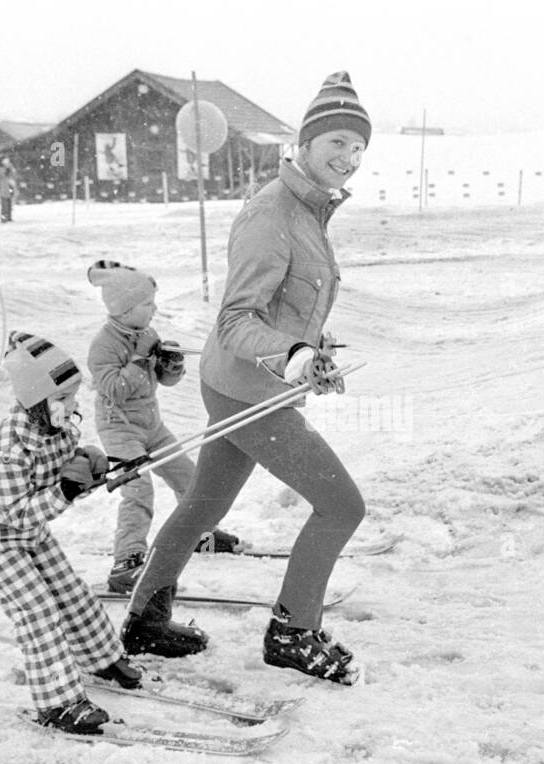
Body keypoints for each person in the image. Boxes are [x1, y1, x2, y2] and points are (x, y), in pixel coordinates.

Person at [122, 71, 370, 684]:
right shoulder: (272, 213)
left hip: (244, 381)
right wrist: (291, 355)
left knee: (206, 501)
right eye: (336, 142)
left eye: (357, 146)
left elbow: (286, 306)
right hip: (249, 388)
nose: (348, 157)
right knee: (341, 506)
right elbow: (237, 318)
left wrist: (313, 353)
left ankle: (145, 618)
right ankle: (292, 632)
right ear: (305, 144)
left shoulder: (308, 210)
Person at [0, 330, 143, 734]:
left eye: (73, 396)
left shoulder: (62, 428)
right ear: (36, 400)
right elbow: (21, 514)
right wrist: (66, 490)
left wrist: (92, 470)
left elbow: (61, 475)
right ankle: (58, 703)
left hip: (27, 526)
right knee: (37, 610)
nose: (72, 407)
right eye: (62, 399)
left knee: (70, 591)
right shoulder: (7, 452)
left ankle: (101, 657)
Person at [85, 259, 242, 602]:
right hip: (119, 429)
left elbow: (163, 380)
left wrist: (171, 365)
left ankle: (199, 534)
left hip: (151, 423)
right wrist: (141, 358)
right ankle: (126, 563)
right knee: (138, 491)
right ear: (124, 310)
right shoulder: (103, 345)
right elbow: (113, 389)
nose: (154, 308)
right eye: (146, 304)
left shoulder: (147, 334)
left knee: (189, 476)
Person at [0, 156, 18, 223]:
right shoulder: (0, 168)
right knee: (4, 204)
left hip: (10, 187)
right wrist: (5, 169)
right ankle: (4, 218)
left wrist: (10, 168)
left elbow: (14, 174)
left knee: (10, 204)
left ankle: (9, 217)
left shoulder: (11, 167)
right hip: (4, 188)